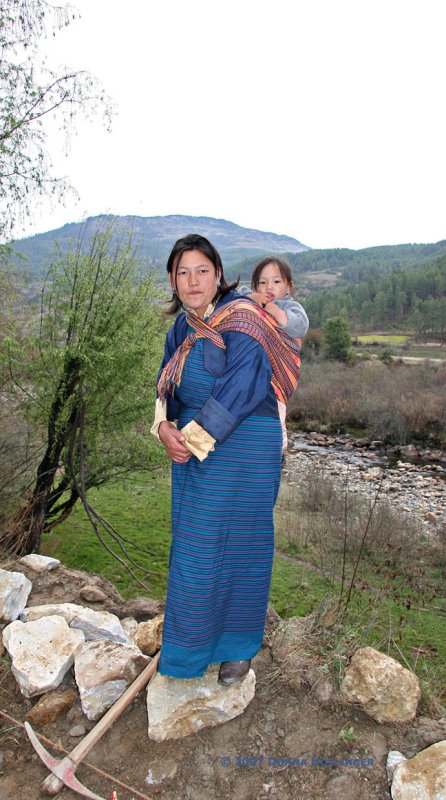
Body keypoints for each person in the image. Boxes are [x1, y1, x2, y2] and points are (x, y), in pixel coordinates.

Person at [151, 234, 301, 685]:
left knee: (242, 548)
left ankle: (237, 649)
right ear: (173, 281)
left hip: (246, 446)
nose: (192, 280)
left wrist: (192, 437)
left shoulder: (244, 317)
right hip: (196, 450)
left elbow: (244, 385)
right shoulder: (180, 330)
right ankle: (191, 650)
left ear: (219, 274)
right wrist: (162, 428)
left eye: (201, 270)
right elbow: (164, 385)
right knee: (195, 552)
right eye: (182, 272)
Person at [240, 256, 309, 451]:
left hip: (278, 374)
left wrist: (277, 313)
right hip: (254, 373)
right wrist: (251, 299)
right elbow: (234, 297)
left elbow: (300, 327)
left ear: (289, 287)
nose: (269, 287)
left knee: (275, 408)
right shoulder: (251, 301)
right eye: (262, 282)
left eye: (276, 281)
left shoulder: (290, 306)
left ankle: (278, 447)